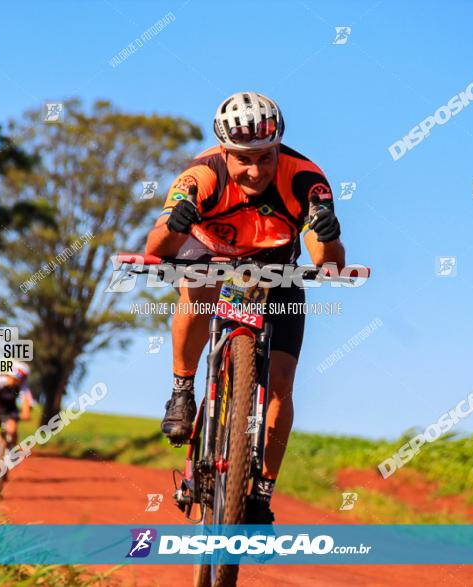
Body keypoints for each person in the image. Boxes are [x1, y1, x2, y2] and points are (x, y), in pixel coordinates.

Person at [144, 91, 345, 524]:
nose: (255, 170)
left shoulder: (304, 178)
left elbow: (329, 263)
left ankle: (262, 494)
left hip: (275, 270)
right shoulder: (201, 174)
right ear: (224, 152)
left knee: (282, 386)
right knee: (194, 285)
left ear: (278, 149)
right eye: (243, 159)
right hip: (211, 256)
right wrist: (176, 224)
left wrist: (327, 236)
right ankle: (182, 391)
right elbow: (157, 246)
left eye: (265, 158)